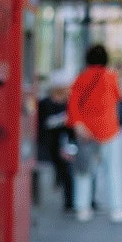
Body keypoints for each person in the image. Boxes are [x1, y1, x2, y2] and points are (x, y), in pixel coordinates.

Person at [67, 44, 122, 224]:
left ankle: (82, 209)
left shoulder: (81, 78)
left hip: (86, 132)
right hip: (108, 130)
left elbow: (73, 104)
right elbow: (118, 96)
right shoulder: (110, 77)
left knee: (84, 171)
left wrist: (78, 124)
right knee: (112, 170)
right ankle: (117, 209)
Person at [37, 70, 77, 213]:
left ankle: (70, 202)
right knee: (61, 167)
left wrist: (71, 146)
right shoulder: (44, 103)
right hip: (47, 144)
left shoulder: (69, 103)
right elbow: (41, 125)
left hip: (64, 143)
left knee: (67, 169)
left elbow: (72, 128)